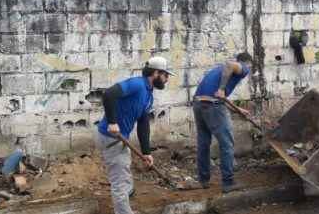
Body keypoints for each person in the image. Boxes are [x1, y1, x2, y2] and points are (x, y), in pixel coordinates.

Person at [96, 57, 174, 214]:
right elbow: (109, 94)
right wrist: (112, 122)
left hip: (120, 138)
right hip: (110, 137)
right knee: (120, 180)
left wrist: (146, 152)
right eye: (166, 75)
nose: (167, 80)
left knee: (124, 168)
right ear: (156, 73)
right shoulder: (137, 84)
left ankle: (127, 194)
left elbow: (143, 124)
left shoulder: (148, 95)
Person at [192, 52, 254, 193]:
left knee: (203, 143)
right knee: (226, 143)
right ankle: (228, 182)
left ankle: (203, 180)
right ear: (247, 62)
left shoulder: (218, 70)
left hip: (199, 104)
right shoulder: (243, 67)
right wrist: (221, 88)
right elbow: (229, 65)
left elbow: (217, 96)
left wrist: (237, 109)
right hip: (212, 105)